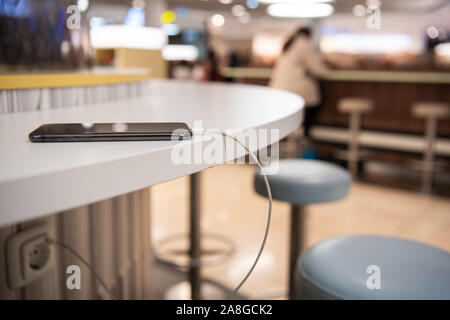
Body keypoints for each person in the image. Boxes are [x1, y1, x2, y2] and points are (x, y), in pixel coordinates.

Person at [269, 27, 328, 137]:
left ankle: (290, 137)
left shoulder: (289, 44)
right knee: (314, 104)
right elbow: (319, 70)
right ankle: (304, 136)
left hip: (279, 89)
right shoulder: (304, 44)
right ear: (308, 35)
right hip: (294, 90)